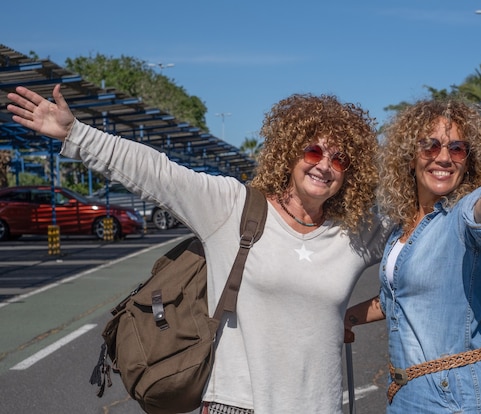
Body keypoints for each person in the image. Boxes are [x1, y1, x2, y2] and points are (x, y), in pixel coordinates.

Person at [7, 85, 389, 414]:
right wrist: (75, 133)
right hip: (237, 404)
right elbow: (158, 173)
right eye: (313, 152)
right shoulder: (233, 207)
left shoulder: (353, 235)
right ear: (289, 152)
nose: (325, 165)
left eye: (339, 159)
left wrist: (354, 316)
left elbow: (422, 257)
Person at [344, 98, 481, 413]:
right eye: (430, 147)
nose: (444, 158)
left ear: (469, 161)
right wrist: (346, 318)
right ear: (409, 158)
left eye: (457, 149)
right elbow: (399, 298)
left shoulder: (460, 213)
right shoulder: (401, 228)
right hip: (405, 393)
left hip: (455, 396)